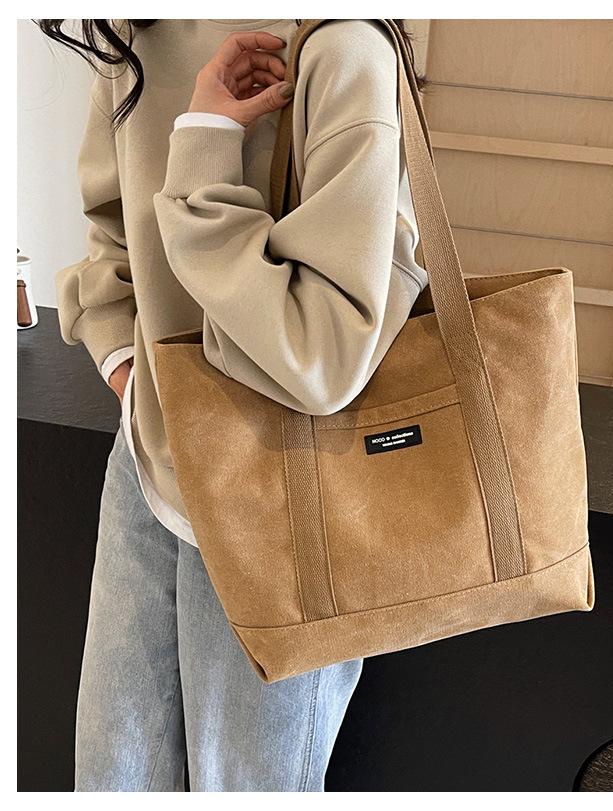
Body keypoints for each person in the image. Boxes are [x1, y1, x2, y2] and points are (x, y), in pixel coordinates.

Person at [39, 18, 428, 792]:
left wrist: (209, 144)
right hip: (149, 463)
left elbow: (323, 355)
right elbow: (112, 225)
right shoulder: (136, 28)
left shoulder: (342, 46)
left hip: (286, 500)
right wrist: (128, 370)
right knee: (110, 783)